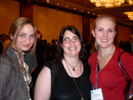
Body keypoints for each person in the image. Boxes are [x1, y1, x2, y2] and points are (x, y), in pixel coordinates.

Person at [34, 25, 92, 100]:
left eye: (75, 39)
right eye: (67, 40)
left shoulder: (88, 68)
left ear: (80, 42)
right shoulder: (50, 70)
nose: (72, 43)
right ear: (61, 45)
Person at [88, 15, 133, 100]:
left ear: (115, 34)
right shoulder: (92, 59)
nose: (105, 35)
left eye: (110, 30)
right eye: (100, 30)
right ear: (93, 33)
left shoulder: (124, 58)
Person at [0, 17, 37, 100]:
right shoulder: (5, 62)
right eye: (22, 35)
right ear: (12, 36)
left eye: (31, 36)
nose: (27, 41)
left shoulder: (20, 56)